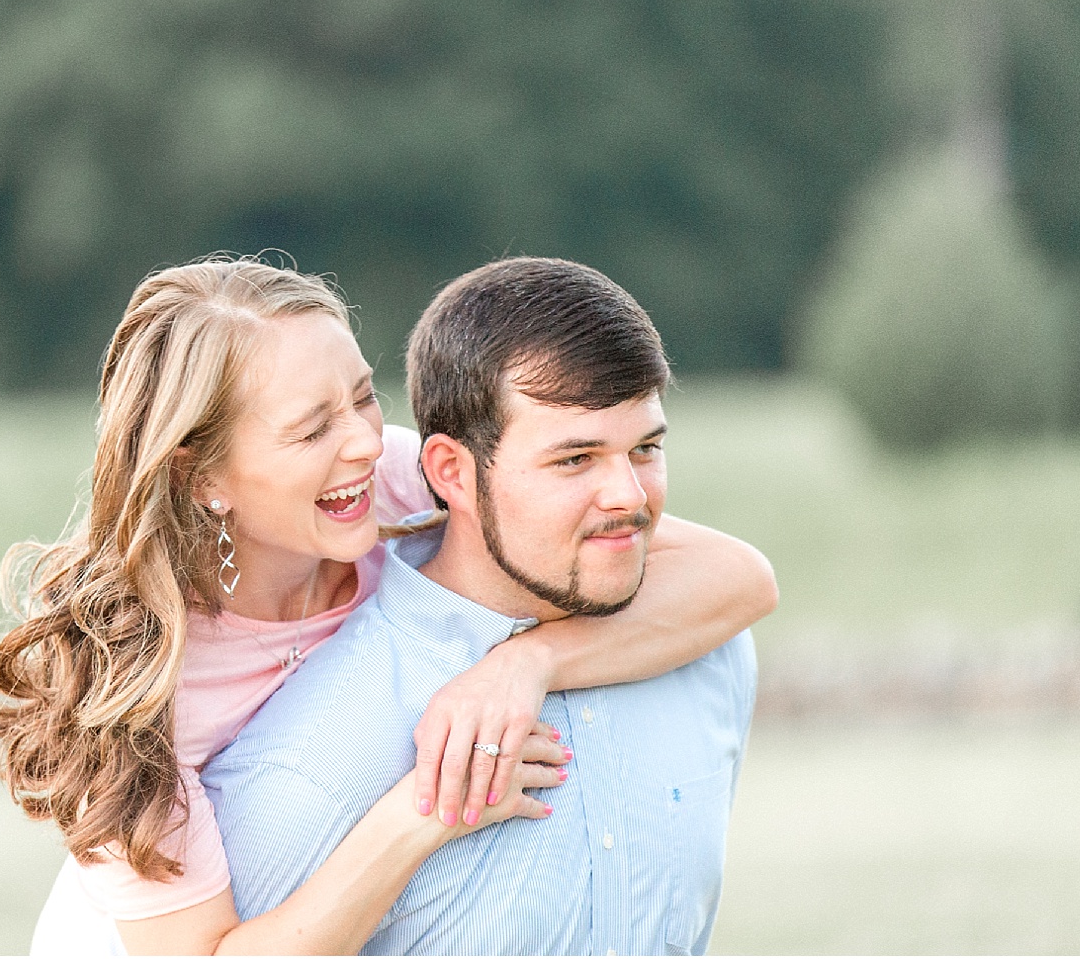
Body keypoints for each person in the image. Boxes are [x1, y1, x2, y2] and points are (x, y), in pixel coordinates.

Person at [0, 255, 774, 956]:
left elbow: (739, 578)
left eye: (360, 396)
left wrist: (526, 662)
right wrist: (427, 809)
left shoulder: (382, 477)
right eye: (311, 426)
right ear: (203, 477)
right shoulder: (138, 702)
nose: (362, 438)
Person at [200, 256, 757, 955]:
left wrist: (534, 660)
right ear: (451, 473)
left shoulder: (712, 651)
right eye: (575, 459)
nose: (630, 497)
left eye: (645, 447)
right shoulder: (301, 767)